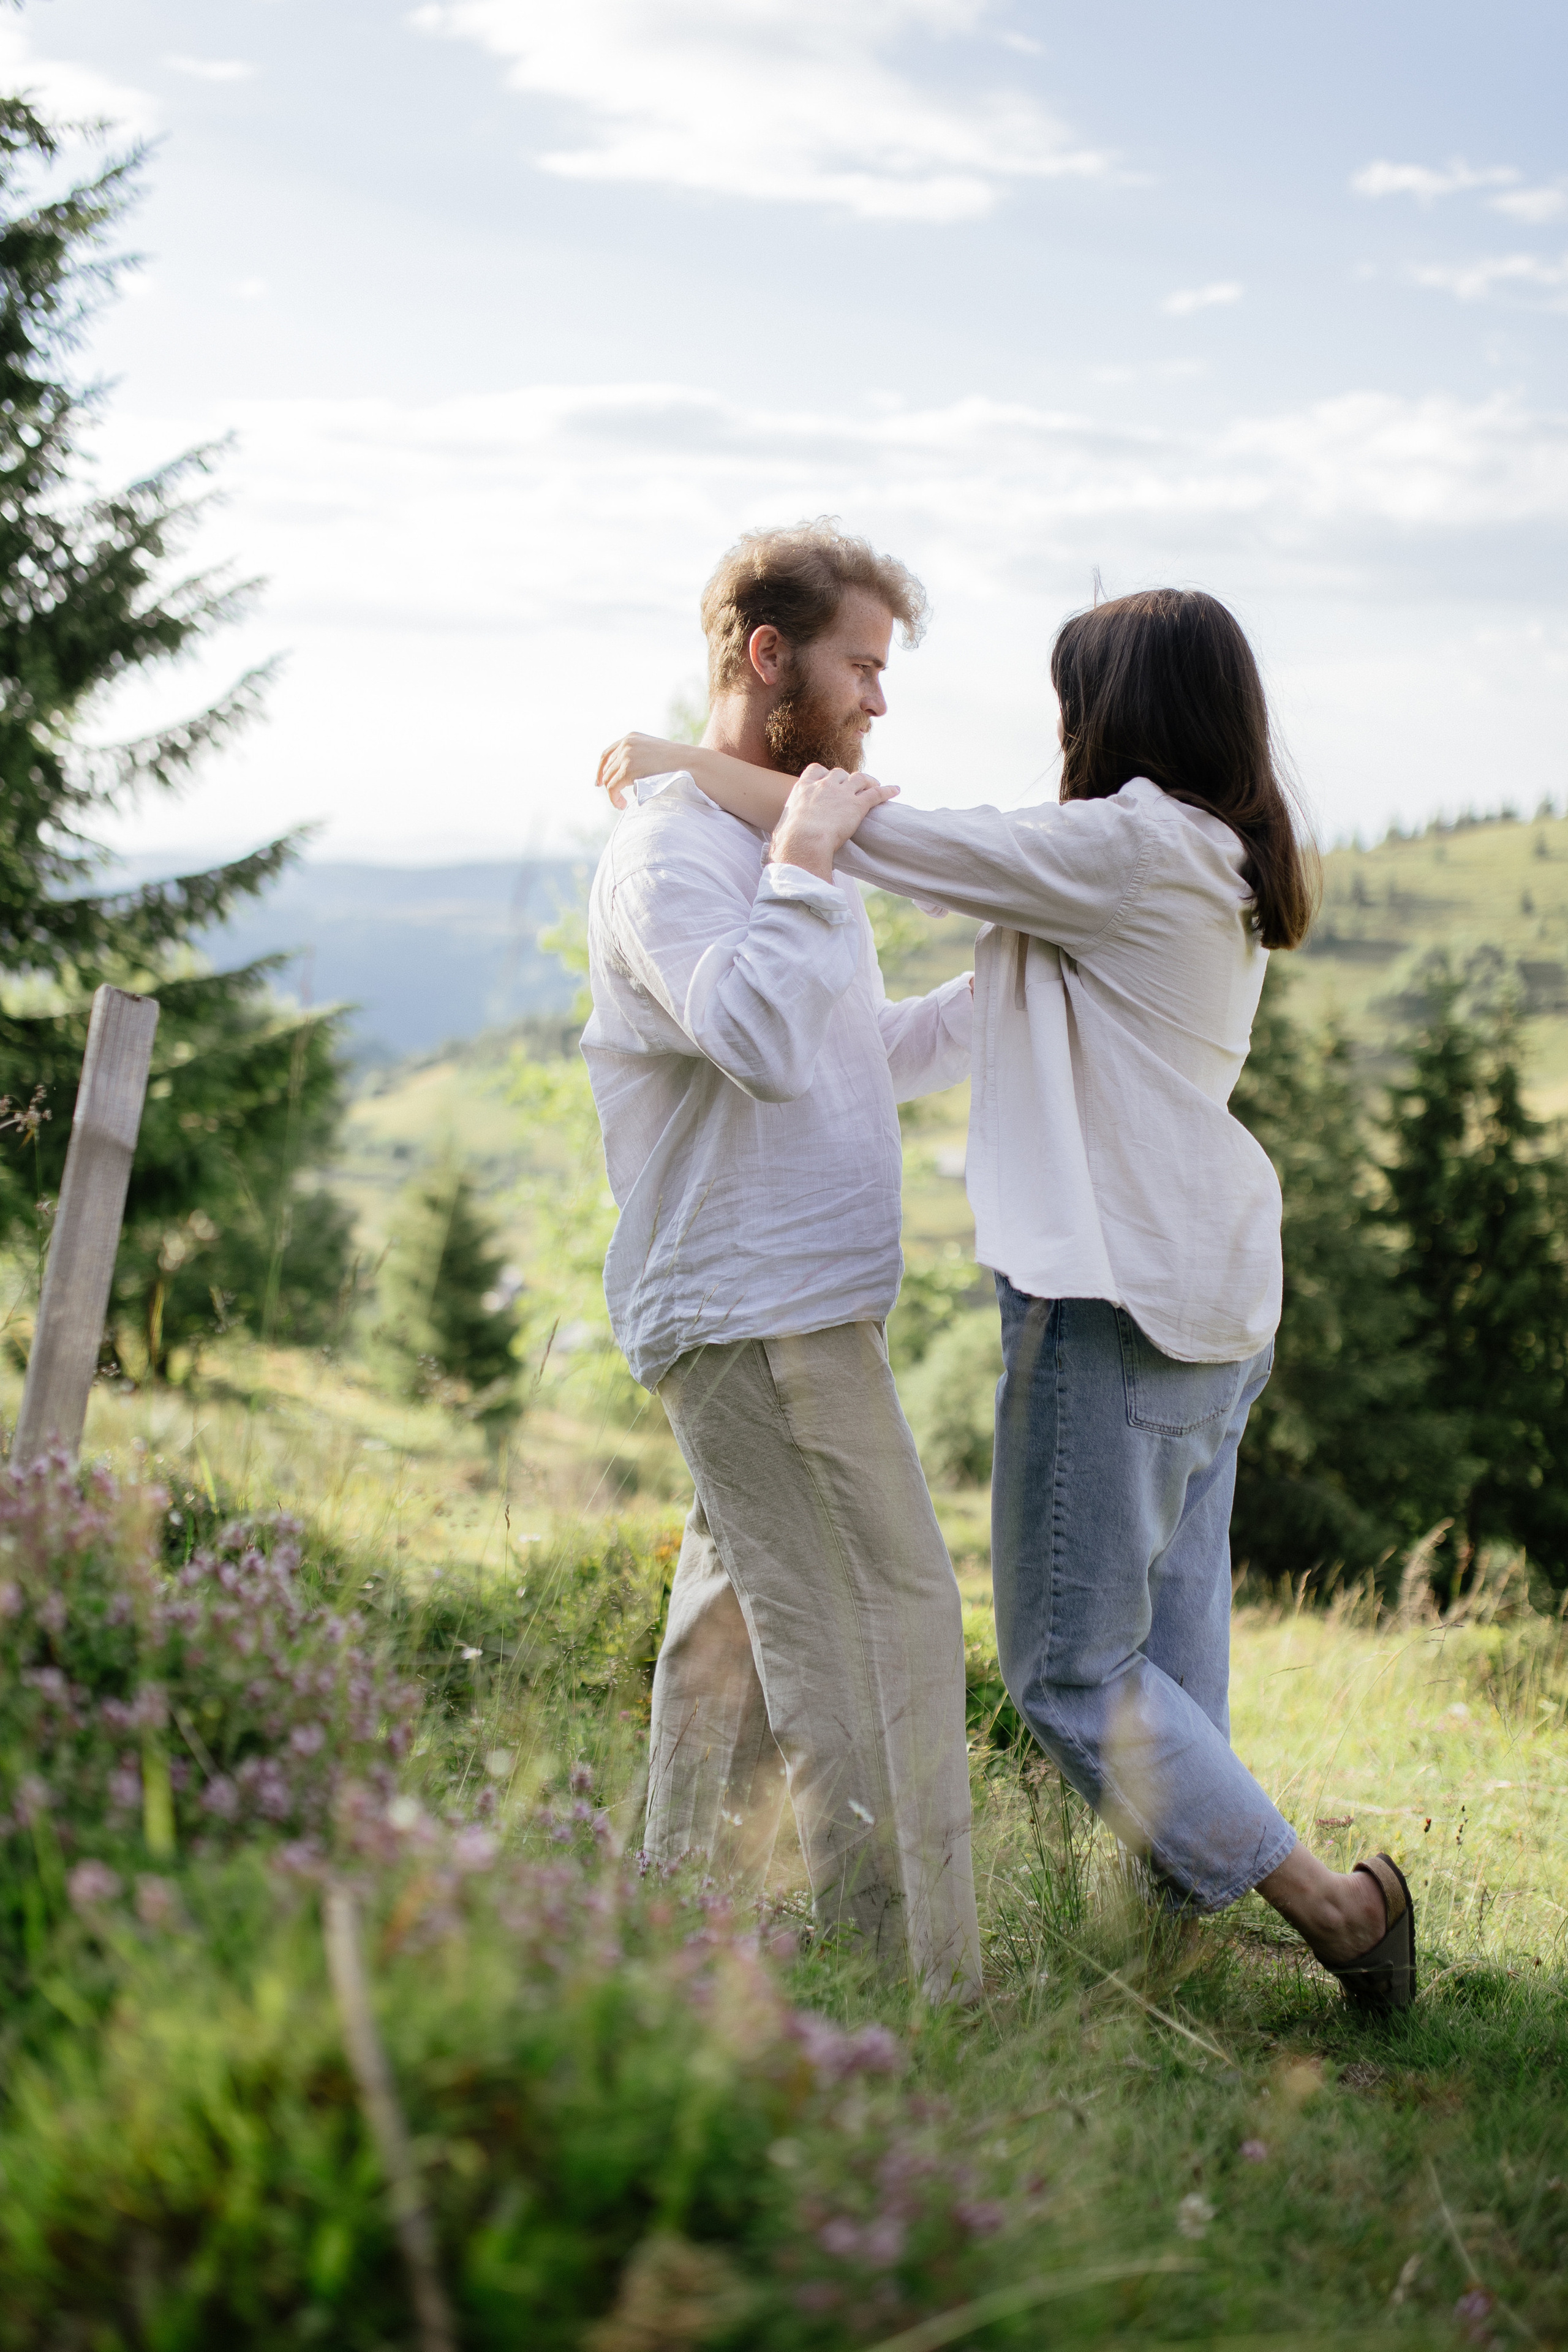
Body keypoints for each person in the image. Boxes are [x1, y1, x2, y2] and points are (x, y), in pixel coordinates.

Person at [598, 586, 1417, 2012]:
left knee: (1068, 1676)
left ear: (1116, 711)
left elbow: (891, 840)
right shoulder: (1197, 853)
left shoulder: (1128, 844)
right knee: (1167, 1656)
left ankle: (1338, 1914)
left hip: (1109, 1298)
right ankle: (1168, 1959)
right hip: (1211, 1293)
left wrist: (677, 764)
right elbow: (915, 977)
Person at [582, 519, 982, 2001]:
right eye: (860, 667)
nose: (877, 702)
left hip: (774, 1307)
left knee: (733, 1631)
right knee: (880, 1623)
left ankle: (663, 1922)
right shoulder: (669, 857)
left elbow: (841, 1049)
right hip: (760, 1316)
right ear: (768, 659)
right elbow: (749, 1041)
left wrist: (994, 998)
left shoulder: (756, 843)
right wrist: (810, 865)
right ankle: (913, 1977)